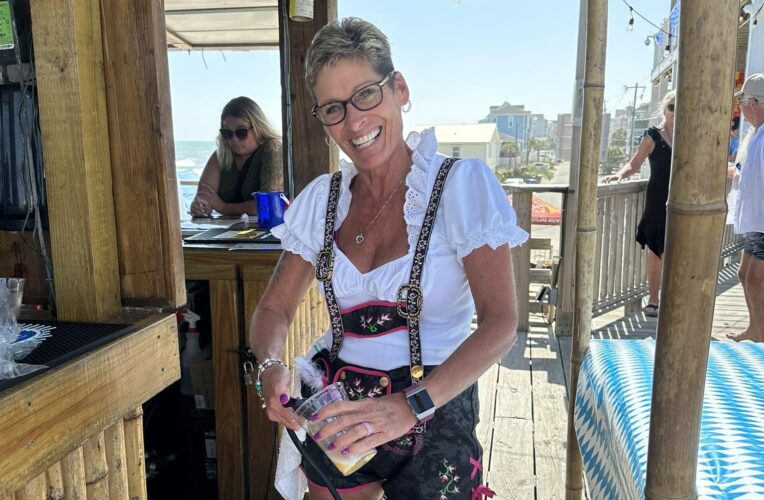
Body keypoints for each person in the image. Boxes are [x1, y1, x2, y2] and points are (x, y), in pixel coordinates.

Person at [249, 17, 528, 499]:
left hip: (435, 404)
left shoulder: (460, 187)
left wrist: (409, 405)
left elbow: (501, 323)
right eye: (333, 108)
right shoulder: (322, 201)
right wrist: (270, 365)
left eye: (366, 94)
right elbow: (274, 308)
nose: (354, 121)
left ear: (399, 89)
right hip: (339, 407)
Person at [602, 91, 675, 317]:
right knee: (655, 248)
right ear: (664, 110)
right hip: (658, 198)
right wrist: (619, 175)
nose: (675, 111)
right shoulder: (652, 135)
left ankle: (674, 298)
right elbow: (634, 164)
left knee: (678, 247)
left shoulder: (689, 135)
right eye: (672, 106)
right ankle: (653, 299)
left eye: (680, 107)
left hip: (682, 199)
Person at [189, 96, 283, 217]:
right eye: (227, 132)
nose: (234, 139)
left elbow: (268, 206)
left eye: (241, 132)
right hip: (229, 228)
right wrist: (200, 207)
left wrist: (224, 207)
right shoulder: (221, 155)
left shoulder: (272, 148)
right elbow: (204, 197)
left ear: (258, 127)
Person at [726, 73, 764, 342]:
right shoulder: (755, 135)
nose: (741, 107)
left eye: (743, 101)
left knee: (755, 279)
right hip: (755, 219)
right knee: (744, 274)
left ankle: (761, 337)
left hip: (762, 220)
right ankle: (755, 330)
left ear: (755, 103)